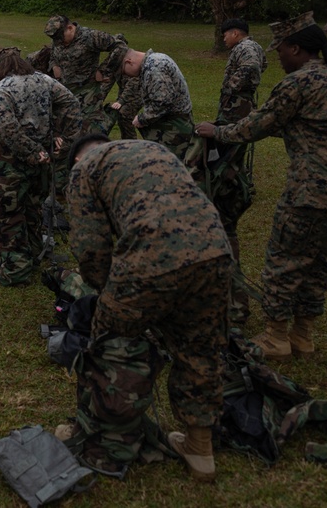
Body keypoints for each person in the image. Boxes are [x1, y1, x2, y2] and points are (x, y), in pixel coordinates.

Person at [196, 12, 327, 361]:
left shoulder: (299, 82)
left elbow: (256, 126)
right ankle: (302, 336)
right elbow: (304, 124)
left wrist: (217, 132)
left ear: (296, 48)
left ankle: (276, 337)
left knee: (284, 260)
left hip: (313, 188)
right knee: (321, 263)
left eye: (281, 52)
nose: (278, 58)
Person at [62, 134, 233, 482]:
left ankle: (107, 442)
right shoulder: (153, 148)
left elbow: (90, 249)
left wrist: (108, 294)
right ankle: (200, 450)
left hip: (151, 256)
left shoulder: (84, 173)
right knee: (200, 347)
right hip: (215, 250)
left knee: (112, 341)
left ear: (77, 160)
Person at [195, 18, 268, 326]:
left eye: (225, 33)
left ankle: (230, 184)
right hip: (232, 111)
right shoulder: (244, 47)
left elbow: (251, 71)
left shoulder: (247, 47)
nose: (223, 38)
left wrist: (233, 86)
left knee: (225, 163)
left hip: (238, 113)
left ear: (236, 32)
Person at [0, 51, 81, 286]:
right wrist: (62, 138)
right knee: (32, 206)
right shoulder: (44, 80)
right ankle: (33, 253)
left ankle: (16, 270)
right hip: (43, 153)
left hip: (10, 159)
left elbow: (7, 128)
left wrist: (29, 151)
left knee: (7, 211)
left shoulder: (1, 88)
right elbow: (72, 104)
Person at [43, 15, 122, 132]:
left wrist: (104, 70)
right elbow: (54, 54)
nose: (59, 42)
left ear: (70, 28)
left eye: (60, 38)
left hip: (87, 90)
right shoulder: (59, 38)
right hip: (67, 90)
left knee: (89, 128)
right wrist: (54, 65)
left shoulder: (91, 36)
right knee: (65, 127)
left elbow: (120, 47)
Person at [117, 45, 194, 161]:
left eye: (124, 71)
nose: (126, 75)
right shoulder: (154, 61)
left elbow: (162, 102)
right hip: (173, 123)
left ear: (129, 62)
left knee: (170, 165)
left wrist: (142, 118)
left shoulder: (154, 67)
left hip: (175, 128)